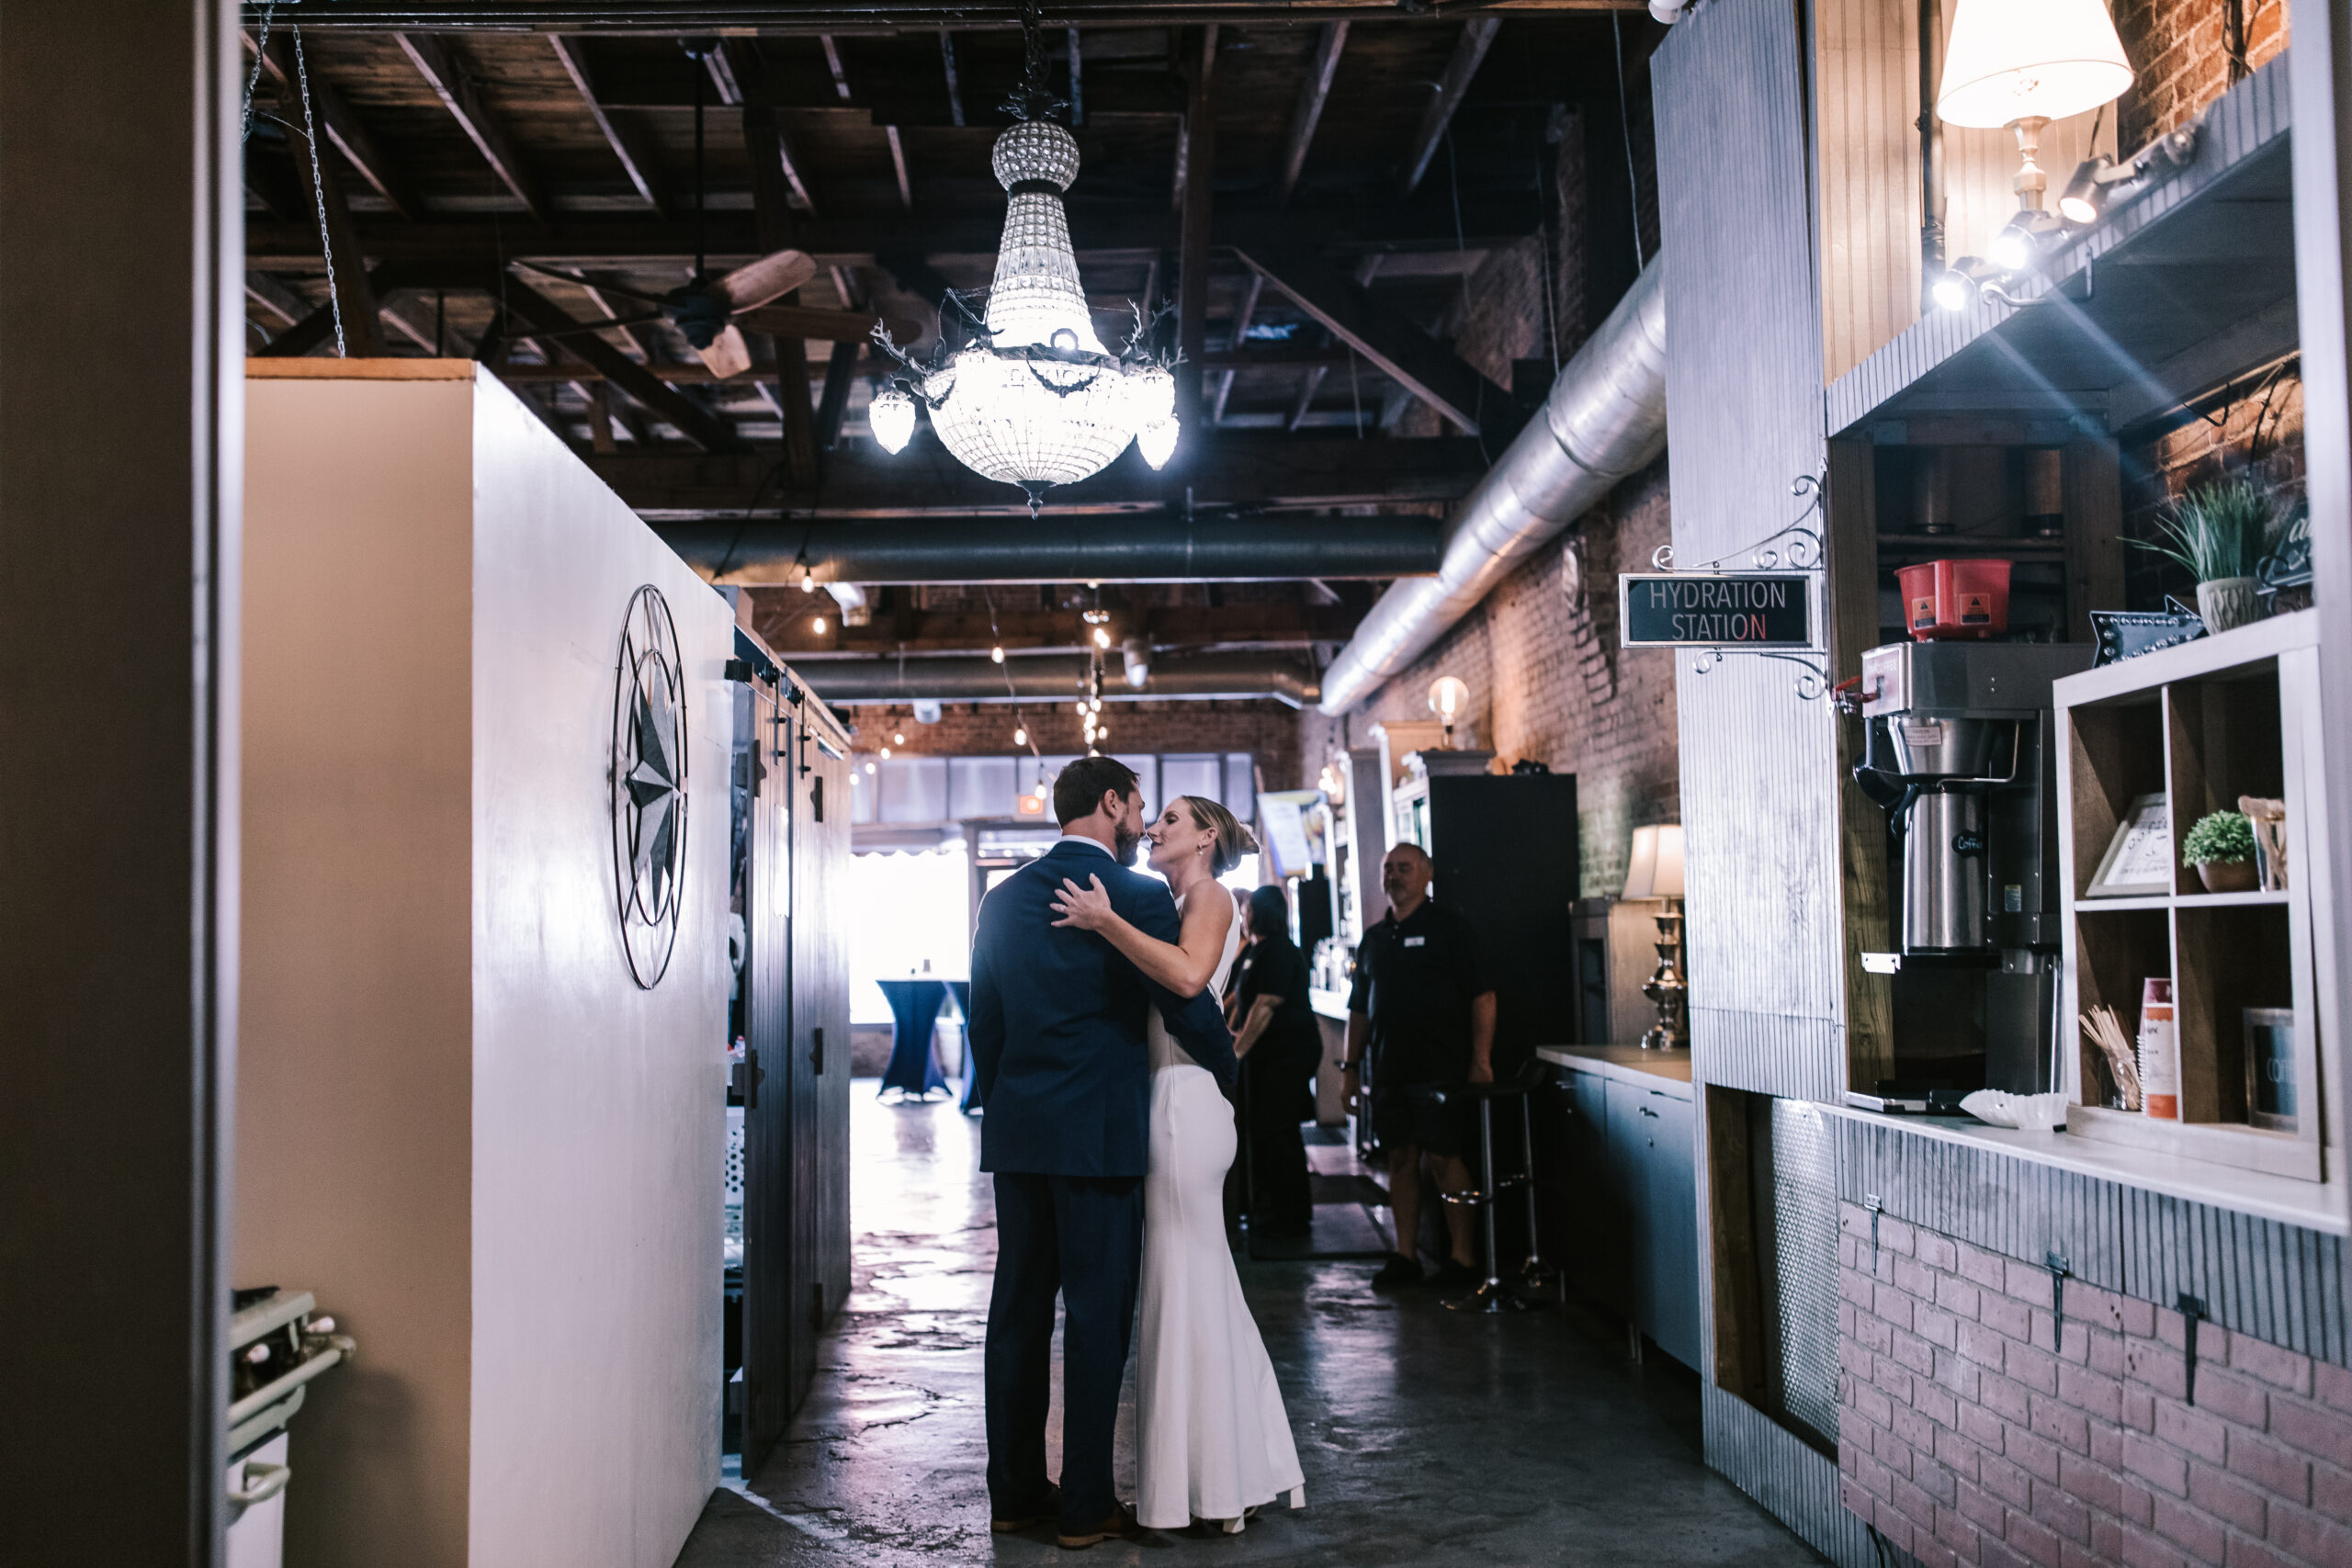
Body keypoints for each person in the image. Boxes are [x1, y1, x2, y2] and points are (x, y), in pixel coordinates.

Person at [966, 759, 1238, 1550]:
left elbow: (986, 1019)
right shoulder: (1143, 896)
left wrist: (1010, 1099)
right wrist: (1227, 1068)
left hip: (1021, 1135)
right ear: (1110, 802)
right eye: (1139, 807)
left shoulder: (1002, 898)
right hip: (1102, 1136)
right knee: (1094, 1319)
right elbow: (1181, 1003)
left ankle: (1014, 1493)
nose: (1143, 823)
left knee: (1016, 1314)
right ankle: (1085, 1505)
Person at [1049, 796, 1307, 1534]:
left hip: (1184, 1108)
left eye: (1168, 818)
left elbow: (1191, 978)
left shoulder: (1212, 896)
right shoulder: (1177, 900)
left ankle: (1211, 1484)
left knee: (1185, 1285)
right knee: (1196, 1286)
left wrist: (1105, 922)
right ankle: (1227, 1474)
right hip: (1170, 1100)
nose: (1153, 828)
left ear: (1205, 837)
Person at [1341, 841, 1497, 1292]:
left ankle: (1463, 1259)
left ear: (1427, 874)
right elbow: (1359, 1011)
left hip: (1441, 1070)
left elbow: (1483, 996)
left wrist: (1481, 1060)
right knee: (1400, 1160)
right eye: (1388, 868)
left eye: (1404, 868)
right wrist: (1350, 1069)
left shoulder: (1451, 929)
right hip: (1388, 1072)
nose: (1394, 876)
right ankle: (1405, 1255)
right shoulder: (1374, 939)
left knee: (1446, 1158)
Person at [1230, 885, 1318, 1236]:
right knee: (1267, 1130)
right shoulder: (1258, 950)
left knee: (1278, 1130)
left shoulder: (1279, 951)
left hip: (1288, 1052)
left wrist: (1237, 1052)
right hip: (1269, 1055)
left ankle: (1292, 1216)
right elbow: (1242, 1001)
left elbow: (1266, 1004)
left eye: (1248, 908)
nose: (1244, 915)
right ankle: (1271, 1209)